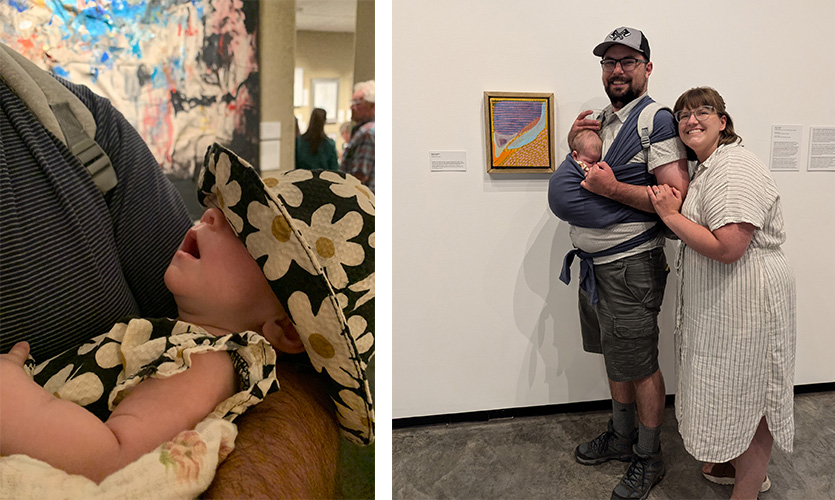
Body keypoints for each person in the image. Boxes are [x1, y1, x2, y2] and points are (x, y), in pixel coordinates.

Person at [0, 41, 343, 498]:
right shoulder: (184, 342)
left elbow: (114, 457)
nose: (211, 214)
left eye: (249, 233)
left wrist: (13, 398)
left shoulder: (206, 362)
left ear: (285, 328)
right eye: (222, 205)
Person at [548, 27, 690, 500]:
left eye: (629, 61)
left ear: (647, 67)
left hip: (631, 264)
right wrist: (575, 143)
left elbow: (674, 198)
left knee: (641, 363)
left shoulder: (656, 121)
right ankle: (621, 435)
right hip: (596, 265)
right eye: (610, 62)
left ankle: (649, 457)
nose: (618, 70)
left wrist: (613, 191)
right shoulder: (604, 120)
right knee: (617, 357)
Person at [647, 87, 795, 500]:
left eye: (703, 112)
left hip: (750, 298)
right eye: (684, 116)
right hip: (728, 299)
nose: (691, 120)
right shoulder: (709, 167)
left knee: (753, 390)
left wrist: (670, 216)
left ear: (723, 122)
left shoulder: (735, 168)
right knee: (731, 384)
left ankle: (748, 487)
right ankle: (733, 461)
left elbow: (729, 248)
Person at [341, 80, 375, 192]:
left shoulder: (367, 133)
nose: (352, 107)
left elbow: (359, 176)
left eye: (358, 103)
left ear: (372, 106)